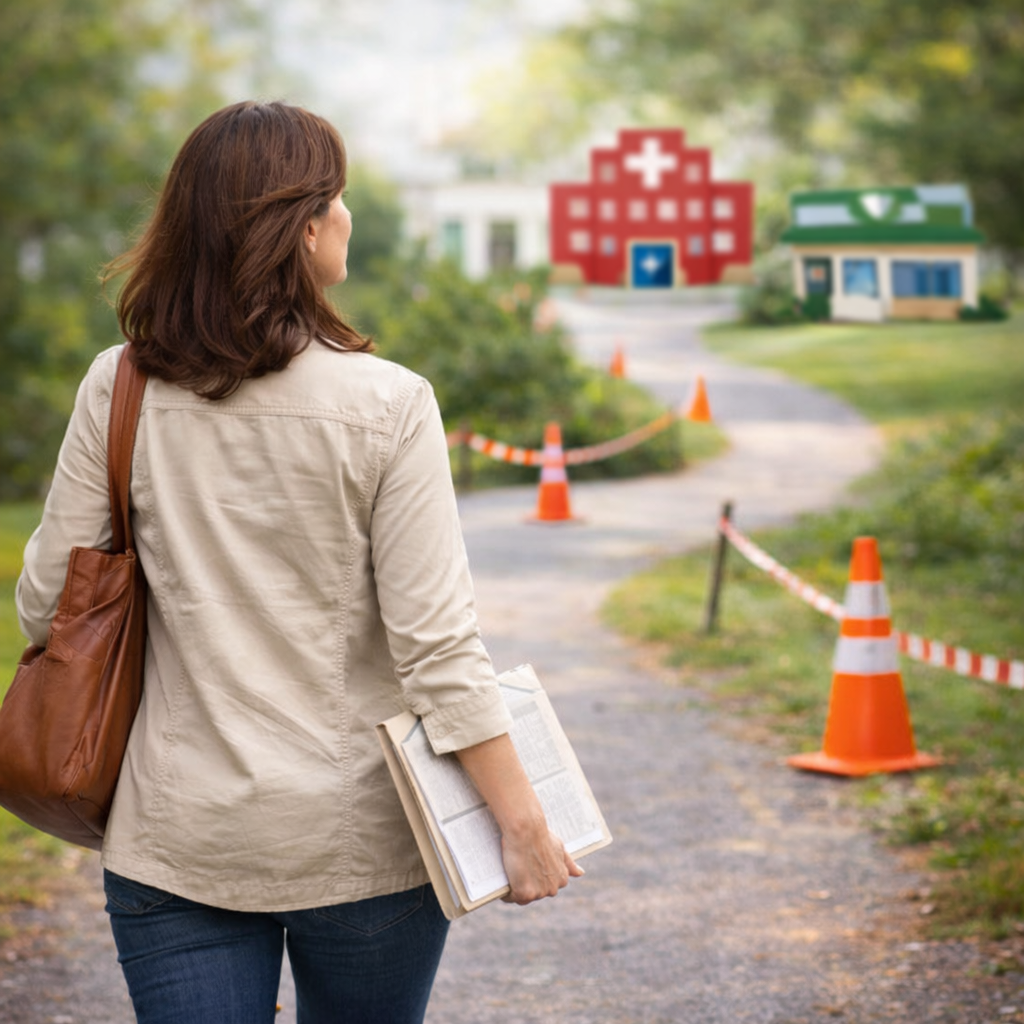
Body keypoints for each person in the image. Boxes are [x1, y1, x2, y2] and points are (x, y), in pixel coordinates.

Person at [15, 100, 582, 1024]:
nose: (347, 216)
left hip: (176, 836)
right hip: (362, 847)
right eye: (338, 197)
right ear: (305, 227)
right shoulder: (391, 404)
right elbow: (437, 651)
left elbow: (48, 607)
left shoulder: (119, 387)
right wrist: (522, 823)